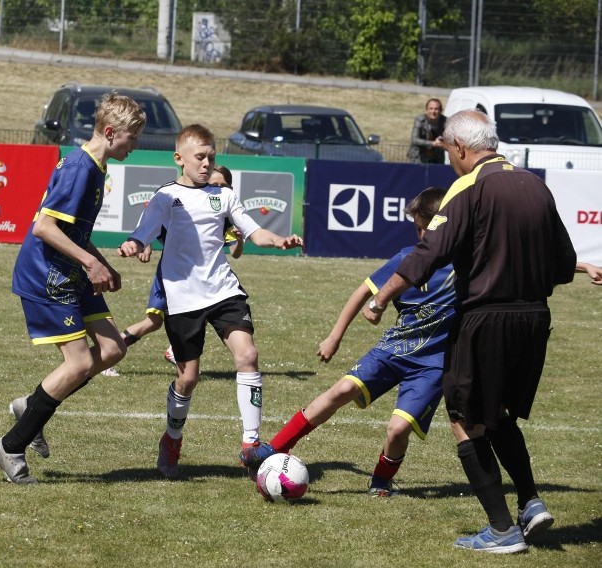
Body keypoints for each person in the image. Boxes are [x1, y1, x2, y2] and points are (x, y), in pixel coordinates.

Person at [363, 109, 577, 553]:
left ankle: (501, 530)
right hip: (535, 319)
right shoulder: (535, 185)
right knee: (498, 415)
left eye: (446, 149)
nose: (448, 159)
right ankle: (532, 503)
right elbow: (562, 264)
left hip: (485, 320)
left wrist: (382, 297)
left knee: (464, 419)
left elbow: (427, 254)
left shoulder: (469, 186)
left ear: (460, 147)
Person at [241, 187, 455, 497]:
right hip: (394, 349)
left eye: (424, 229)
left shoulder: (467, 268)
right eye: (418, 229)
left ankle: (381, 482)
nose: (421, 236)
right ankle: (273, 449)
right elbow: (362, 292)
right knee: (341, 389)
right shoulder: (407, 258)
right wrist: (334, 336)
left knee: (397, 429)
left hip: (432, 365)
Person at [118, 124, 302, 479]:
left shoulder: (224, 196)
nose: (206, 164)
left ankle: (251, 446)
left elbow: (253, 231)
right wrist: (133, 244)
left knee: (247, 355)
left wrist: (278, 240)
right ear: (179, 159)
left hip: (223, 290)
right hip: (182, 296)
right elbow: (143, 233)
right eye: (199, 157)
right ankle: (172, 438)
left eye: (211, 158)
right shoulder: (165, 196)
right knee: (188, 379)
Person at [0, 92, 147, 484]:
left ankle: (32, 405)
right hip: (46, 276)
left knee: (113, 348)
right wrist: (91, 262)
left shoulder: (94, 166)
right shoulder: (80, 167)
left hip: (70, 272)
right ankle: (10, 446)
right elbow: (43, 227)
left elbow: (72, 230)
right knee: (77, 364)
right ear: (111, 132)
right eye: (132, 137)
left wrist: (101, 262)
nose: (135, 145)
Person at [111, 164, 245, 372]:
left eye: (224, 185)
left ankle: (171, 350)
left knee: (165, 320)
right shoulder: (183, 201)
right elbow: (154, 223)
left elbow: (235, 252)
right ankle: (109, 353)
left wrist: (239, 239)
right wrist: (145, 244)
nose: (219, 188)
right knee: (153, 321)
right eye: (214, 183)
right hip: (175, 276)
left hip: (203, 280)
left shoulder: (223, 215)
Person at [408, 98, 447, 164]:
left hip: (437, 158)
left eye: (436, 109)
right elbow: (414, 140)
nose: (433, 111)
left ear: (441, 110)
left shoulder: (446, 121)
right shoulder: (420, 120)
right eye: (431, 108)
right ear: (426, 110)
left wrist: (443, 143)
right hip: (418, 157)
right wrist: (433, 143)